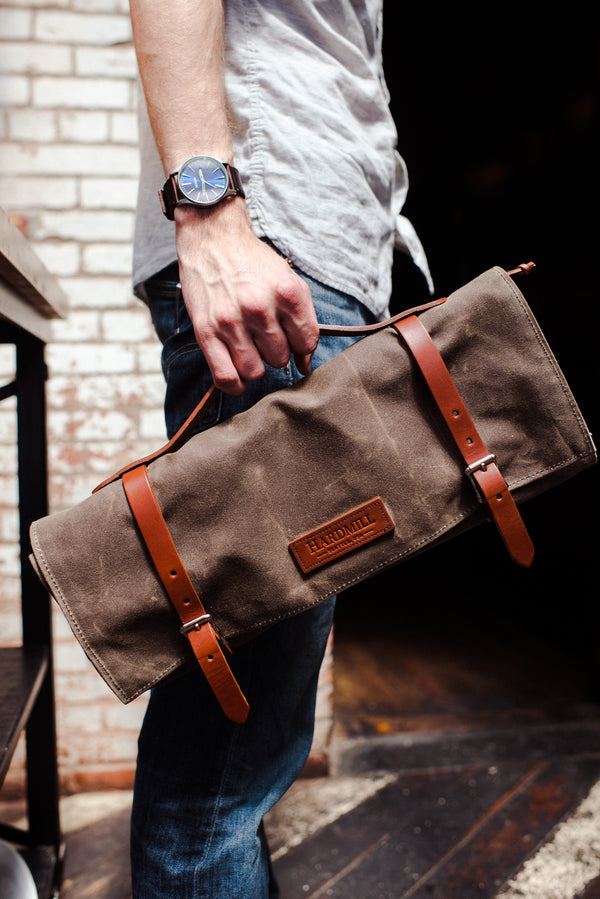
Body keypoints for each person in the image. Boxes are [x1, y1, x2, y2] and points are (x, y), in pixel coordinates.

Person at [127, 1, 430, 896]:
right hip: (271, 259)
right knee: (220, 768)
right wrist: (210, 206)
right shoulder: (243, 235)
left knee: (244, 746)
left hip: (312, 262)